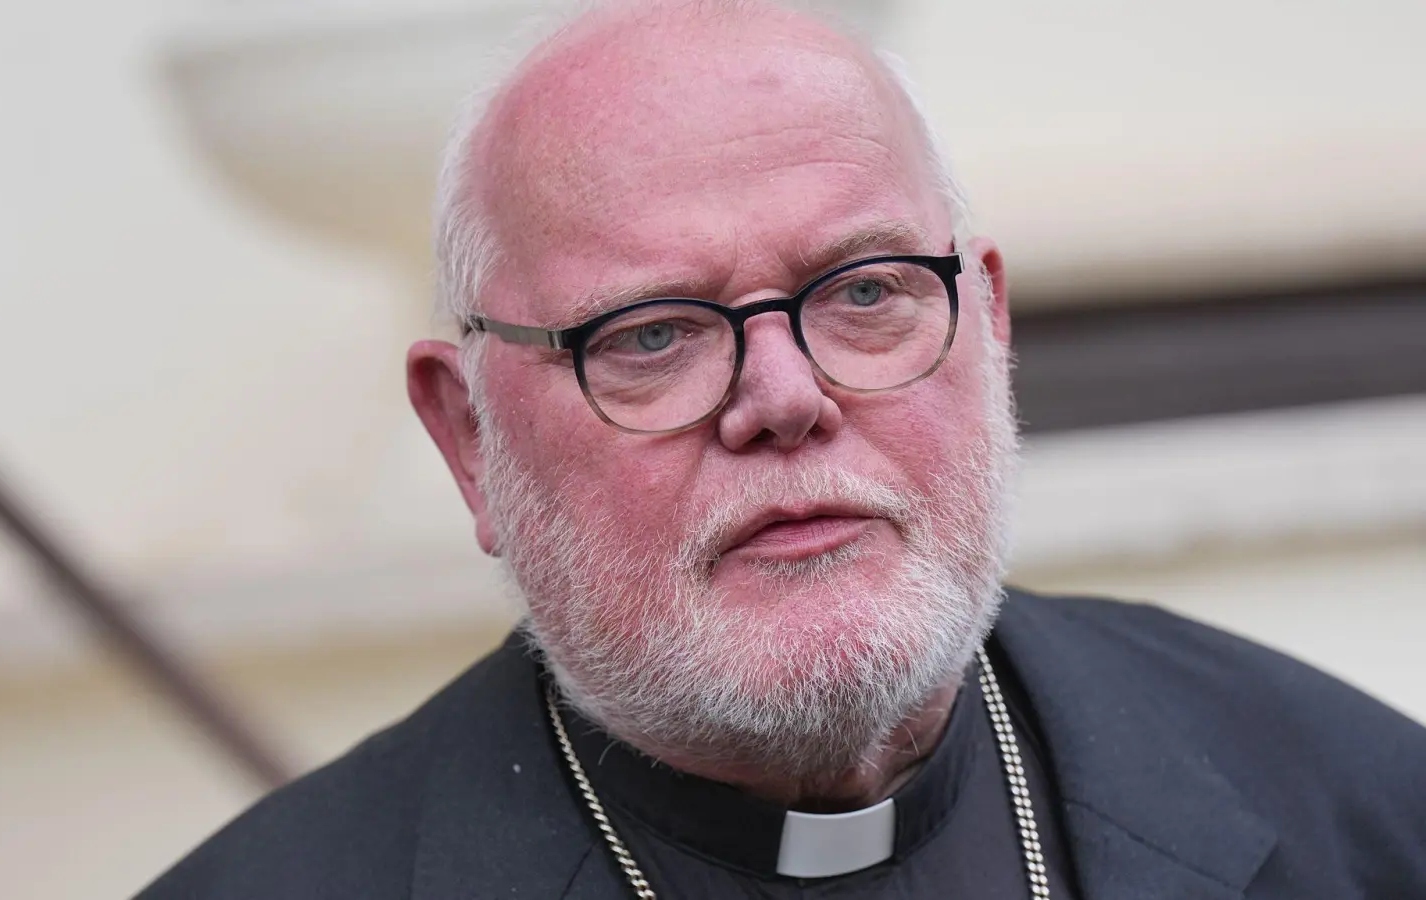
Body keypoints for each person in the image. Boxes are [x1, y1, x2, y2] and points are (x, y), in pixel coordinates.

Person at [137, 1, 1426, 897]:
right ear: (470, 440)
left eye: (865, 293)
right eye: (651, 335)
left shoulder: (1360, 809)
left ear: (988, 323)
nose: (783, 396)